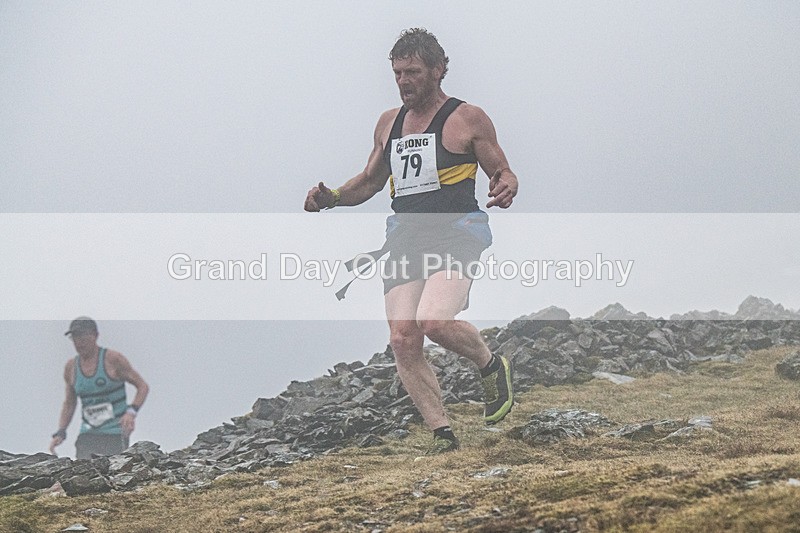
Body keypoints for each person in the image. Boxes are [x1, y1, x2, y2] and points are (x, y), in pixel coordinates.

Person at [304, 28, 519, 453]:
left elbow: (502, 170)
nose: (404, 81)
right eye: (398, 73)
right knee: (403, 336)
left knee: (434, 321)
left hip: (458, 231)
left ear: (439, 70)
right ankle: (442, 433)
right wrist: (330, 198)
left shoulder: (467, 118)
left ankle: (491, 365)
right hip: (405, 235)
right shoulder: (389, 124)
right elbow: (368, 182)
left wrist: (507, 183)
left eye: (414, 72)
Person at [49, 317, 149, 459]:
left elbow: (142, 386)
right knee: (84, 475)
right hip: (88, 434)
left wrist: (131, 412)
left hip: (115, 434)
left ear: (95, 335)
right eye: (75, 337)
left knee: (112, 476)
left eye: (84, 336)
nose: (79, 342)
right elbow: (70, 403)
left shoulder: (113, 359)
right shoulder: (71, 367)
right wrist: (61, 431)